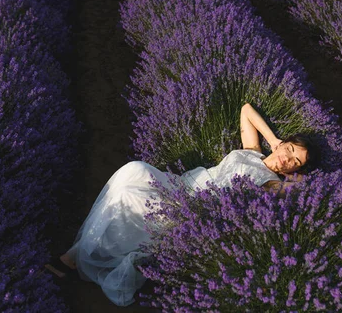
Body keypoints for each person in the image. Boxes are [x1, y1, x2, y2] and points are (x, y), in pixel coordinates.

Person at [44, 103, 319, 306]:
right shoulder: (252, 151)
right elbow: (246, 109)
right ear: (285, 143)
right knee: (134, 170)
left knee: (130, 197)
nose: (289, 159)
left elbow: (300, 189)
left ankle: (74, 256)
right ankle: (83, 252)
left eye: (296, 162)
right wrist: (274, 141)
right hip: (182, 184)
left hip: (192, 208)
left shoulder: (270, 183)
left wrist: (294, 175)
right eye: (292, 150)